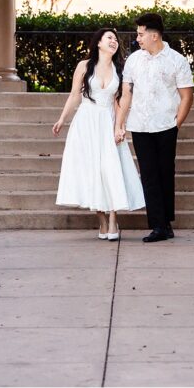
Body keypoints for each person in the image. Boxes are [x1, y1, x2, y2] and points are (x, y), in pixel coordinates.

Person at [53, 28, 145, 240]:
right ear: (98, 43)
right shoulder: (84, 66)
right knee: (92, 171)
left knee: (110, 170)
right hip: (86, 122)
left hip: (108, 121)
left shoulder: (119, 69)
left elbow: (119, 101)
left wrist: (119, 127)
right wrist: (62, 119)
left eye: (115, 39)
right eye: (109, 38)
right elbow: (75, 95)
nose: (114, 41)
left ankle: (113, 219)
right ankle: (102, 219)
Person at [115, 13, 194, 243]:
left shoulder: (177, 60)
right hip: (140, 125)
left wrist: (176, 124)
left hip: (166, 125)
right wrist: (120, 123)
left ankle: (165, 222)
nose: (138, 38)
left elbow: (187, 96)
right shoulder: (133, 60)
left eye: (141, 34)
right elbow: (126, 95)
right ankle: (159, 225)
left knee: (165, 173)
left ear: (154, 35)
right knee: (148, 175)